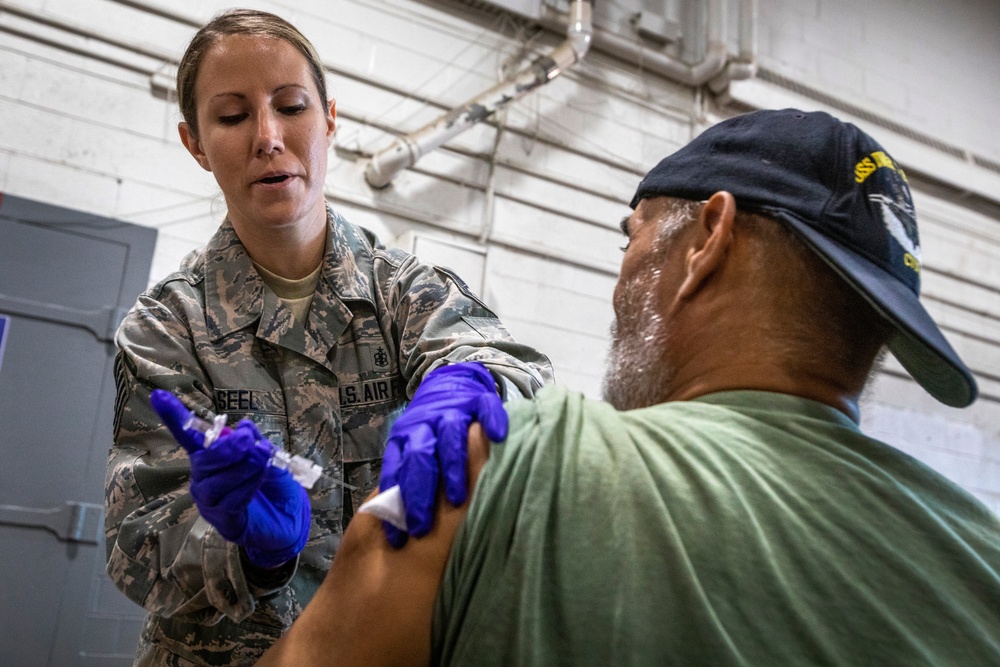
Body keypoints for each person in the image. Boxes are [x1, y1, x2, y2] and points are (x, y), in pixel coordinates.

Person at [255, 109, 1000, 666]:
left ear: (709, 236)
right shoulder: (982, 562)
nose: (623, 271)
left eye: (632, 233)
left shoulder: (491, 472)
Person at [104, 9, 552, 667]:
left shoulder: (405, 289)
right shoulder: (165, 330)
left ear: (331, 119)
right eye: (231, 117)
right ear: (195, 143)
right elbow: (133, 549)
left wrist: (469, 383)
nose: (268, 136)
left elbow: (503, 366)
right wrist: (247, 554)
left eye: (291, 106)